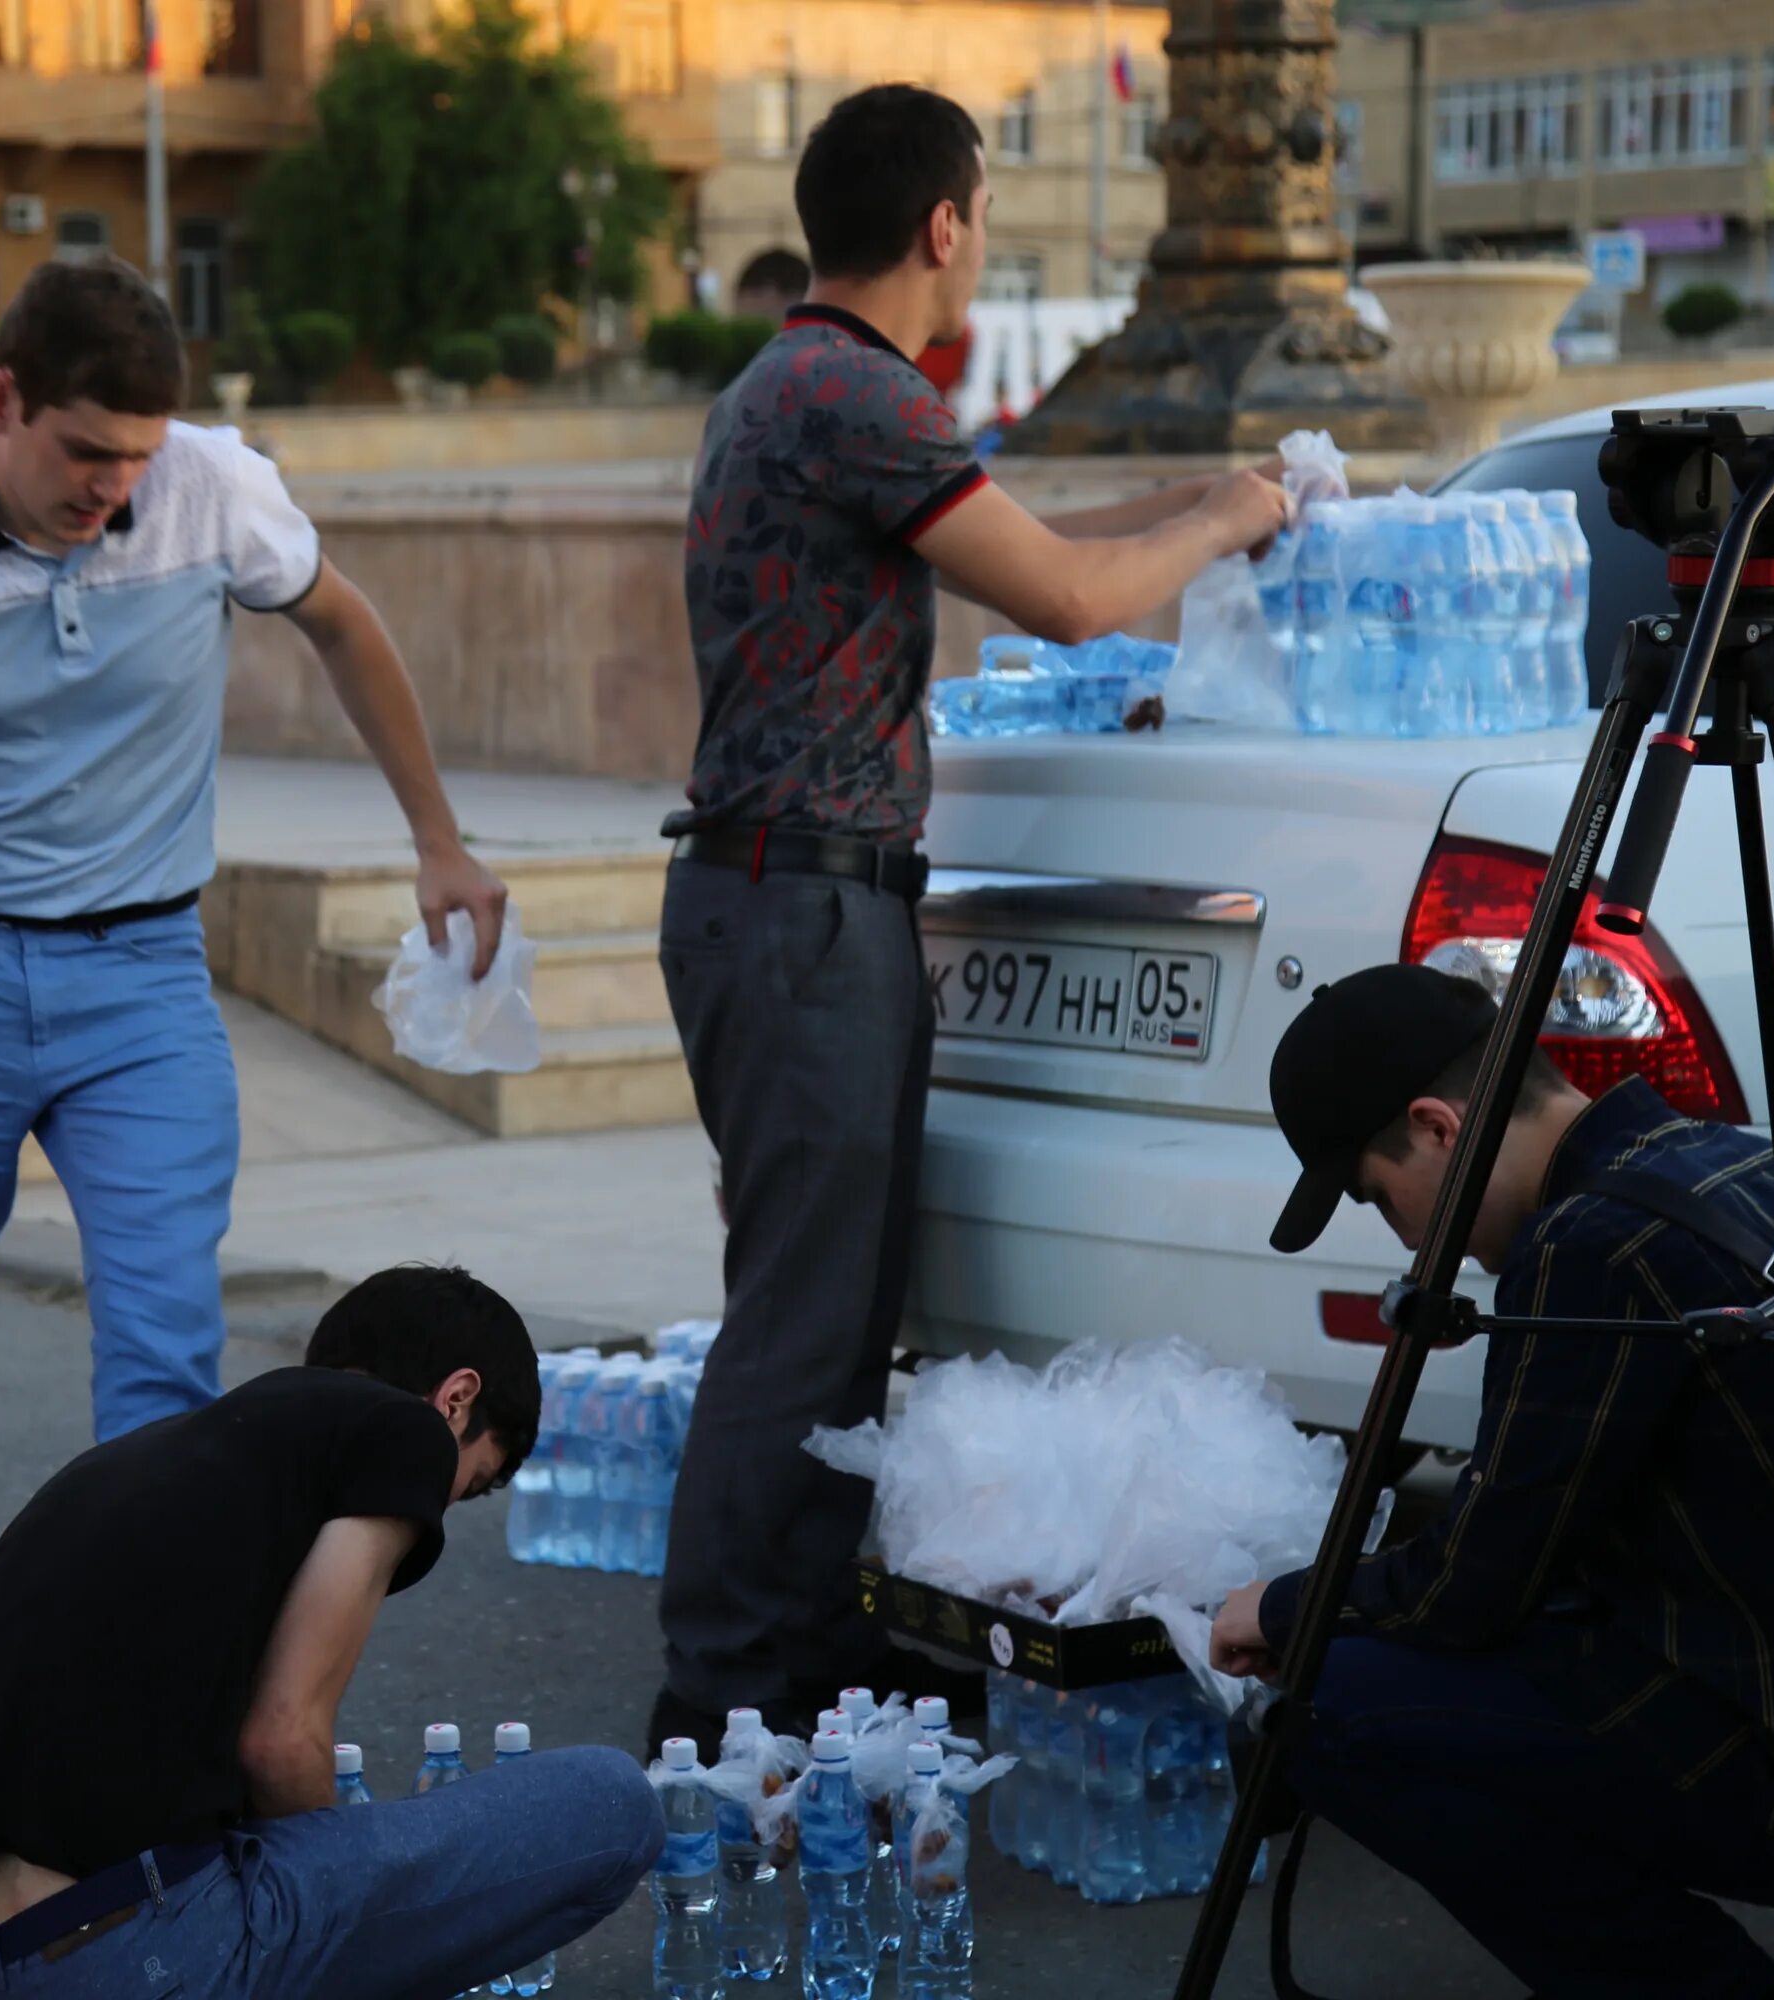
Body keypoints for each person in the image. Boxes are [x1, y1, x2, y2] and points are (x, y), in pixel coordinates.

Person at [0, 256, 511, 1771]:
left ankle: (146, 1660)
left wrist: (438, 834)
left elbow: (346, 627)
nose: (114, 489)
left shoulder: (213, 492)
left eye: (139, 459)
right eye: (85, 453)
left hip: (142, 978)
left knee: (164, 1355)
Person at [650, 80, 1293, 1753]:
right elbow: (1070, 596)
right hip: (798, 911)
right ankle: (724, 1691)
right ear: (945, 224)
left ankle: (796, 1657)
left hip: (776, 895)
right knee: (805, 1319)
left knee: (832, 1310)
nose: (981, 241)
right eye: (983, 214)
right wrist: (1229, 513)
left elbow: (1027, 562)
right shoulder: (852, 390)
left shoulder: (782, 383)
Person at [1211, 964, 1774, 2000]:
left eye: (1378, 1195)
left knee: (1327, 1708)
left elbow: (1471, 1583)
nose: (1410, 1238)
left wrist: (1288, 1607)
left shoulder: (1587, 1248)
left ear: (1437, 1125)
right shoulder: (1740, 1159)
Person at [0, 1264, 664, 1999]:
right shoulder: (405, 1433)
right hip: (115, 1955)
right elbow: (281, 1739)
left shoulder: (147, 1458)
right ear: (457, 1399)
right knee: (611, 1801)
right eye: (476, 1481)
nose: (443, 1507)